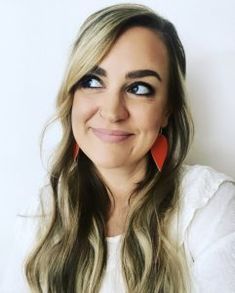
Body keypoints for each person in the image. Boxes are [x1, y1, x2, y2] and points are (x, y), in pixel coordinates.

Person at [1, 3, 234, 293]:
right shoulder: (40, 218)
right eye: (92, 81)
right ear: (72, 95)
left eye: (138, 88)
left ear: (167, 110)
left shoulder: (208, 207)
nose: (112, 112)